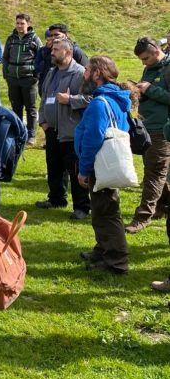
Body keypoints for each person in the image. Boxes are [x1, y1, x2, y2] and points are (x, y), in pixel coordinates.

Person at [75, 56, 132, 274]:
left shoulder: (100, 103)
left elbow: (92, 139)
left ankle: (116, 261)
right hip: (108, 161)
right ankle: (103, 250)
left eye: (88, 70)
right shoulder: (114, 98)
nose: (84, 74)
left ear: (98, 73)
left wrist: (84, 169)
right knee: (101, 209)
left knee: (107, 211)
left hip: (101, 163)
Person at [36, 37, 91, 220]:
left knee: (75, 170)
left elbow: (91, 99)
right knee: (54, 167)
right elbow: (43, 99)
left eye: (56, 49)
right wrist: (43, 121)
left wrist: (70, 100)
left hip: (72, 132)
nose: (51, 52)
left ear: (67, 52)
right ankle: (56, 199)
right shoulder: (51, 73)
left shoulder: (80, 73)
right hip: (51, 130)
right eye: (52, 49)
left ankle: (82, 207)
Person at [125, 36, 170, 234]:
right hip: (146, 127)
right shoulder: (149, 69)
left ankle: (143, 217)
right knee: (155, 171)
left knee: (154, 173)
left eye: (145, 58)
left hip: (163, 129)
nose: (143, 63)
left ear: (155, 51)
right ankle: (163, 207)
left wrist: (151, 90)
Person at [2, 13, 42, 146]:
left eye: (22, 23)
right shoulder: (11, 39)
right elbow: (5, 58)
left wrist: (35, 76)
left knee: (30, 108)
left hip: (29, 79)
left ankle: (31, 135)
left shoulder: (34, 39)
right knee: (16, 107)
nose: (19, 26)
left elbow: (40, 58)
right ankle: (19, 133)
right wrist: (6, 74)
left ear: (28, 24)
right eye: (17, 23)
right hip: (13, 79)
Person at [34, 23, 89, 94]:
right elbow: (44, 71)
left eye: (56, 35)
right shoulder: (47, 51)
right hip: (49, 93)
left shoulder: (75, 51)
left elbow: (87, 73)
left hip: (69, 95)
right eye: (51, 35)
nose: (53, 37)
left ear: (65, 35)